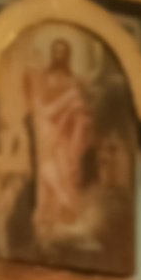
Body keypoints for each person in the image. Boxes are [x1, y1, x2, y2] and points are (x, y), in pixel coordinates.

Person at [23, 35, 96, 252]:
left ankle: (63, 214)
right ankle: (49, 217)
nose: (59, 55)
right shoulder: (45, 78)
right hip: (48, 129)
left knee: (64, 171)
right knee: (48, 170)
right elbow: (39, 106)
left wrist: (72, 117)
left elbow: (79, 110)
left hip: (65, 134)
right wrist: (64, 108)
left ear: (67, 56)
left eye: (63, 52)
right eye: (56, 51)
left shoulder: (72, 80)